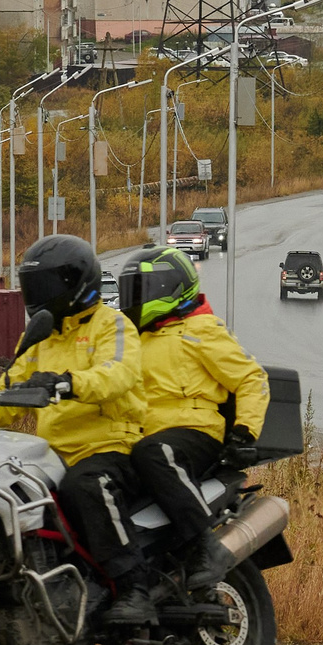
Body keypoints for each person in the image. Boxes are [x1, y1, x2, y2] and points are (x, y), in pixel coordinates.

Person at [0, 234, 158, 629]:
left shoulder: (111, 324)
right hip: (54, 453)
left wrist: (68, 382)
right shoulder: (43, 338)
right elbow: (9, 390)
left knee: (86, 486)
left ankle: (134, 589)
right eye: (33, 286)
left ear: (74, 284)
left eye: (46, 286)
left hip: (112, 442)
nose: (38, 296)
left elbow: (118, 374)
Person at [123, 247, 270, 591]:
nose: (137, 298)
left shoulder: (200, 328)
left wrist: (244, 433)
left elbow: (251, 379)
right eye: (134, 289)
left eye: (144, 289)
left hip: (194, 432)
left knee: (154, 453)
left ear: (170, 289)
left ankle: (205, 546)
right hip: (144, 437)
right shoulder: (134, 340)